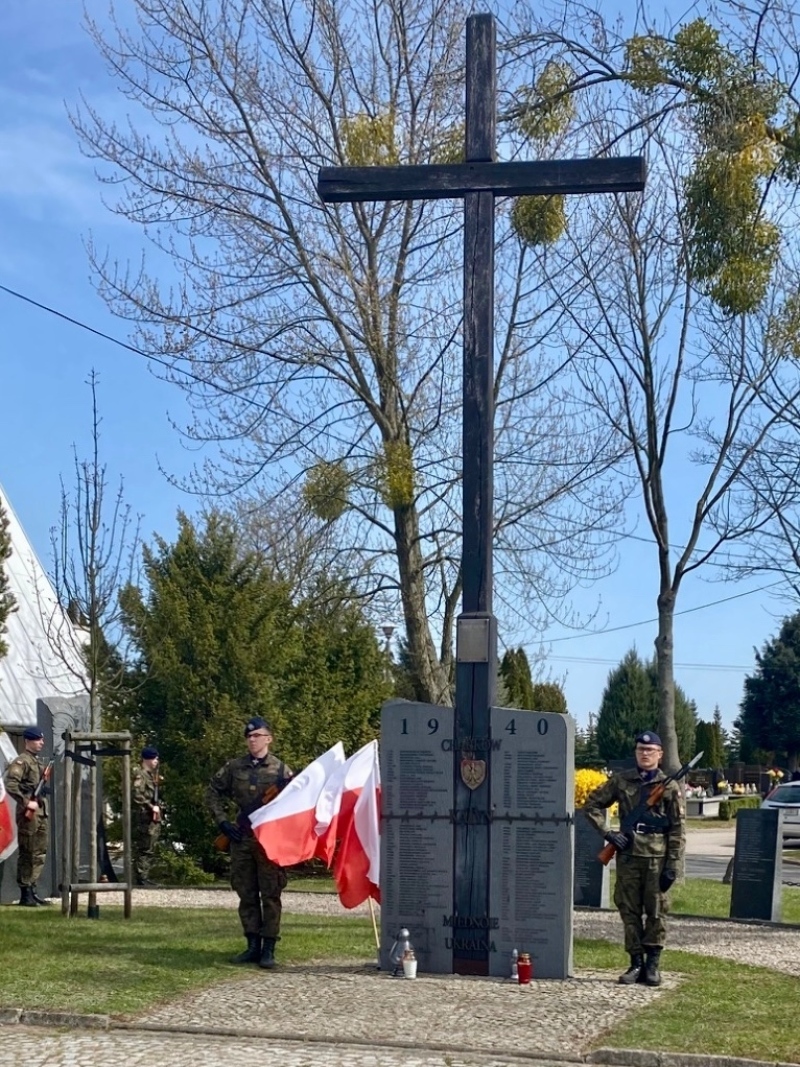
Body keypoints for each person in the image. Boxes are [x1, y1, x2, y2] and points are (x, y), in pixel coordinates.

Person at [583, 730, 685, 987]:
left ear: (660, 754)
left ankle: (652, 965)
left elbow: (677, 829)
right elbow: (592, 805)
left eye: (650, 750)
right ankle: (635, 962)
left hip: (657, 858)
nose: (645, 753)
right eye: (640, 749)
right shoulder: (621, 781)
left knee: (657, 911)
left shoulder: (669, 786)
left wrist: (673, 864)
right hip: (628, 856)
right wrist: (608, 833)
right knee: (629, 911)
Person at [207, 717, 292, 969]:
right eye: (249, 736)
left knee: (271, 893)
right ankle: (252, 945)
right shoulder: (234, 767)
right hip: (241, 837)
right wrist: (223, 822)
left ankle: (268, 948)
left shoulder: (281, 771)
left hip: (268, 841)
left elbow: (293, 805)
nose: (252, 740)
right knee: (246, 893)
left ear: (269, 738)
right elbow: (212, 791)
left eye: (257, 736)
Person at [3, 726, 51, 907]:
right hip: (28, 813)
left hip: (41, 811)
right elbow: (10, 784)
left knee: (39, 852)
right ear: (28, 741)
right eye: (38, 739)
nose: (41, 743)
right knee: (27, 852)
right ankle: (25, 892)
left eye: (42, 739)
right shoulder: (22, 761)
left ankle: (33, 888)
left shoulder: (36, 762)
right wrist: (25, 802)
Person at [132, 746, 163, 886]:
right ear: (148, 759)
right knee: (144, 849)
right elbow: (136, 795)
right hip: (145, 817)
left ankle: (144, 876)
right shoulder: (141, 775)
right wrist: (151, 807)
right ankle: (141, 878)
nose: (156, 761)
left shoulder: (151, 776)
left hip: (152, 818)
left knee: (150, 848)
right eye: (154, 758)